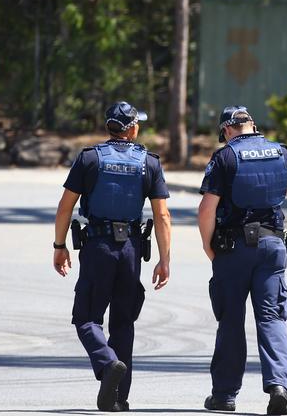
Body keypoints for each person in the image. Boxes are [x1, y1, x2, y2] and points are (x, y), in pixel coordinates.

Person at [52, 101, 171, 412]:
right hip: (131, 249)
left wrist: (59, 245)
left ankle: (108, 364)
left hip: (98, 247)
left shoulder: (89, 159)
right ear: (132, 128)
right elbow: (162, 216)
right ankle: (118, 397)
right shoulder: (149, 162)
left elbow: (65, 207)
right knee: (123, 323)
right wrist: (164, 259)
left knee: (86, 317)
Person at [198, 105, 287, 415]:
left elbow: (207, 209)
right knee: (271, 317)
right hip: (272, 244)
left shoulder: (225, 157)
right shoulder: (281, 152)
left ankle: (224, 396)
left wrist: (208, 246)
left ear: (228, 130)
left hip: (234, 248)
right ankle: (278, 386)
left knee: (230, 321)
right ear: (252, 126)